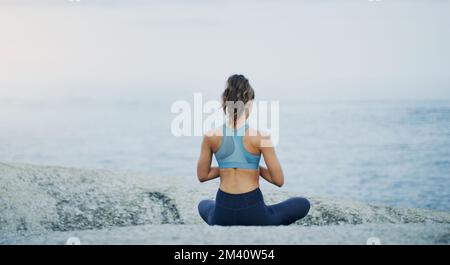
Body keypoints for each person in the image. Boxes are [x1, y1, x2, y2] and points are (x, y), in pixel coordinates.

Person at [196, 74, 310, 226]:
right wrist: (252, 167)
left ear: (225, 102)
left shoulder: (210, 136)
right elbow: (278, 180)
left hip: (222, 214)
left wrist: (227, 167)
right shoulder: (261, 137)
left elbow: (202, 176)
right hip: (254, 213)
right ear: (248, 103)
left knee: (203, 205)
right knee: (302, 203)